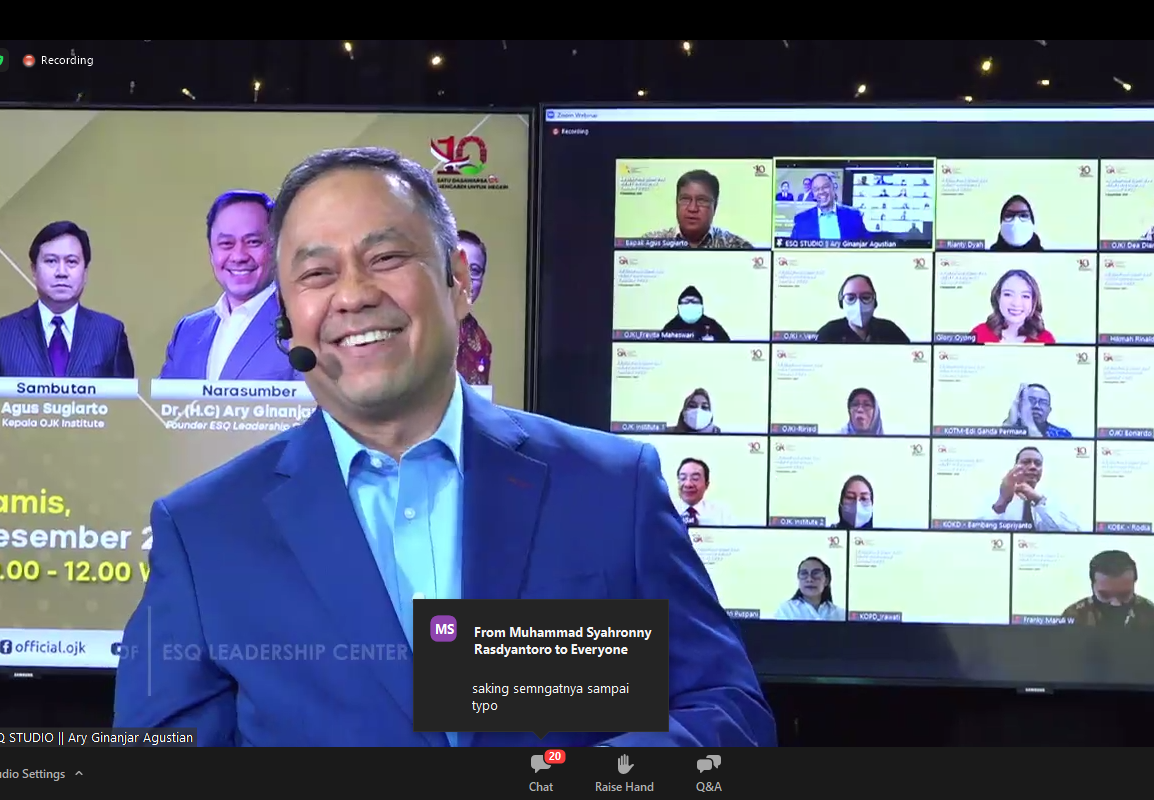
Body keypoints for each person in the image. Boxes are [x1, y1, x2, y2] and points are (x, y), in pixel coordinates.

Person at [114, 147, 774, 748]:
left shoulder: (611, 486)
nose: (354, 295)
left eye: (386, 258)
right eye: (315, 273)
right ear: (287, 318)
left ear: (458, 279)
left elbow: (725, 714)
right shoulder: (204, 531)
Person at [158, 190, 298, 381]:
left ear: (276, 248)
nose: (239, 256)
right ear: (211, 252)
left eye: (253, 242)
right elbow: (166, 400)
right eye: (226, 244)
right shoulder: (188, 331)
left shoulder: (299, 324)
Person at [0, 221, 135, 379]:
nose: (61, 272)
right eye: (51, 261)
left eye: (71, 262)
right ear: (34, 270)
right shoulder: (0, 334)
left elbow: (124, 395)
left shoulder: (111, 333)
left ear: (85, 272)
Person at [642, 169, 753, 249]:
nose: (692, 208)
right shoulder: (650, 243)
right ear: (676, 202)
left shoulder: (738, 247)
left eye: (702, 200)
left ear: (715, 206)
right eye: (685, 199)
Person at [981, 446, 1080, 531]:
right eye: (1026, 462)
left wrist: (1038, 500)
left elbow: (1072, 531)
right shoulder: (993, 495)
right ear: (1015, 467)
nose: (1033, 467)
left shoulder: (1053, 499)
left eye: (1038, 463)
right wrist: (1002, 501)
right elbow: (978, 529)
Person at [1060, 550, 1154, 629]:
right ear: (1092, 585)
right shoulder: (1074, 614)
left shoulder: (1147, 610)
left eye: (1124, 595)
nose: (1115, 603)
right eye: (1105, 595)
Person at [815, 274, 909, 343]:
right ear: (841, 303)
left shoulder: (891, 331)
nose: (858, 304)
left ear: (874, 302)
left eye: (866, 297)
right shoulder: (828, 333)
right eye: (850, 298)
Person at [971, 269, 1056, 344]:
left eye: (1025, 296)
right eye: (1008, 294)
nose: (1016, 303)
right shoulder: (979, 333)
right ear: (998, 297)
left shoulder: (1045, 339)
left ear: (1033, 301)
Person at [454, 229, 492, 385]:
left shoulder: (480, 341)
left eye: (475, 270)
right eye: (457, 267)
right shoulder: (416, 326)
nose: (466, 278)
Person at [789, 173, 869, 242]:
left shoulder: (854, 216)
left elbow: (867, 246)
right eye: (816, 189)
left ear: (833, 189)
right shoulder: (801, 220)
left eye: (825, 187)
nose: (821, 192)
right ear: (813, 194)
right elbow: (793, 248)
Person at [773, 557, 845, 621]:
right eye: (804, 573)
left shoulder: (840, 614)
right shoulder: (786, 610)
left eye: (816, 573)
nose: (809, 579)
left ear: (826, 580)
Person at [673, 457, 736, 526]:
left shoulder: (721, 514)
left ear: (706, 484)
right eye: (683, 478)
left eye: (695, 478)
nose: (688, 484)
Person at [661, 285, 730, 342]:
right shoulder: (670, 327)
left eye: (695, 302)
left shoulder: (712, 325)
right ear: (679, 307)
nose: (690, 304)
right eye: (686, 302)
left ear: (702, 307)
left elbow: (726, 345)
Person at [1003, 383, 1072, 438]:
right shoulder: (1012, 429)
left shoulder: (1061, 434)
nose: (1037, 406)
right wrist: (1009, 423)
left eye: (1043, 402)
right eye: (1031, 400)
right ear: (1020, 405)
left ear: (1049, 410)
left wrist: (1028, 422)